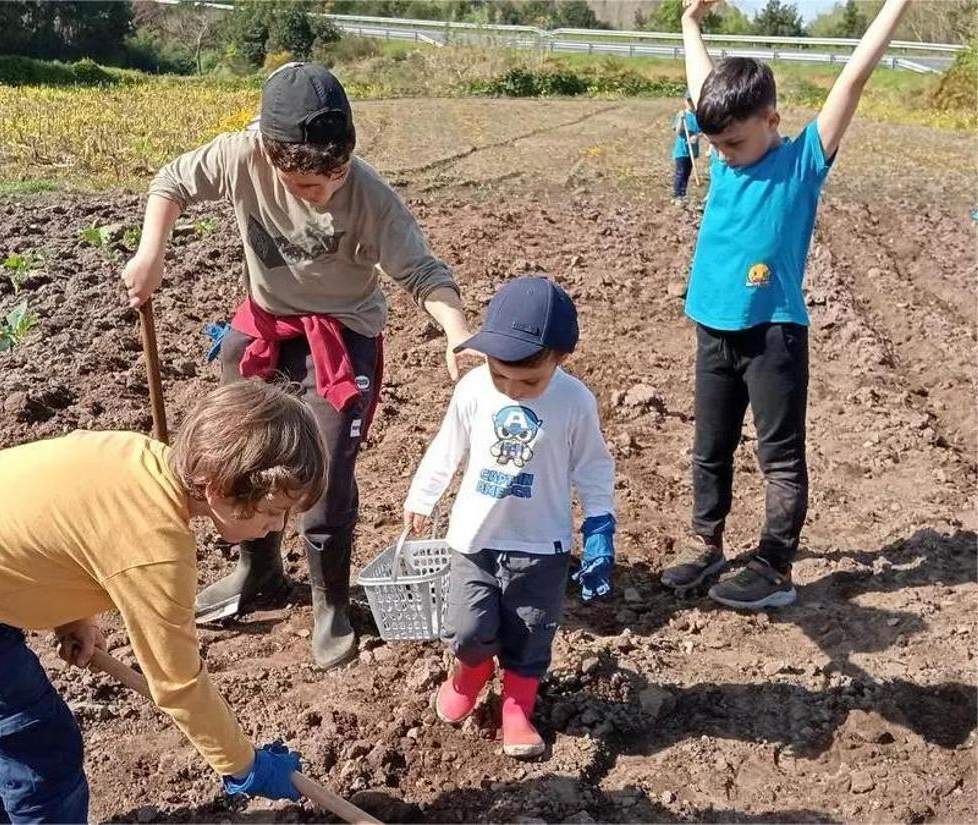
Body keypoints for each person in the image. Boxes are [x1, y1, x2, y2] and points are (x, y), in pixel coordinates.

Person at [121, 62, 471, 671]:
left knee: (325, 470)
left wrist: (457, 332)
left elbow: (424, 273)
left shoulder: (369, 196)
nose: (327, 192)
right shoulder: (241, 156)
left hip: (340, 338)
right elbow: (171, 180)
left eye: (336, 175)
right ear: (268, 152)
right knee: (241, 458)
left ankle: (329, 600)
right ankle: (258, 570)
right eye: (309, 185)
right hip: (263, 328)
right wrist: (151, 254)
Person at [0, 382, 325, 822]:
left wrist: (73, 618)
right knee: (38, 747)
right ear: (218, 489)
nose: (277, 526)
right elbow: (178, 684)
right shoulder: (155, 550)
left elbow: (59, 525)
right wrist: (243, 765)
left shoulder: (136, 455)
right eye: (271, 512)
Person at [661, 0, 912, 609]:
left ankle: (775, 566)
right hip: (713, 329)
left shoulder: (802, 162)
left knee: (778, 456)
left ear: (772, 119)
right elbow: (703, 86)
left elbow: (852, 77)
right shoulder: (725, 149)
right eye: (715, 143)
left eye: (734, 143)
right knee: (710, 446)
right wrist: (690, 23)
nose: (722, 155)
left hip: (773, 334)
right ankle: (706, 543)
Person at [403, 276, 616, 758]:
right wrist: (423, 496)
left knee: (531, 631)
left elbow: (594, 467)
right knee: (468, 627)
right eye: (502, 376)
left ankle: (517, 707)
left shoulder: (574, 402)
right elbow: (447, 447)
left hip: (542, 546)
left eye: (530, 382)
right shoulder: (475, 390)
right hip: (473, 540)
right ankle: (468, 675)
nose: (513, 390)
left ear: (560, 359)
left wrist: (600, 523)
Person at [672, 93, 702, 203]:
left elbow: (701, 132)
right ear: (685, 101)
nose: (691, 104)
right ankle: (676, 195)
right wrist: (681, 119)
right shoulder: (682, 115)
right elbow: (678, 131)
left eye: (692, 101)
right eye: (689, 101)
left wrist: (696, 136)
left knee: (687, 173)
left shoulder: (697, 116)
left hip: (692, 151)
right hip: (681, 150)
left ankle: (683, 194)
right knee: (680, 172)